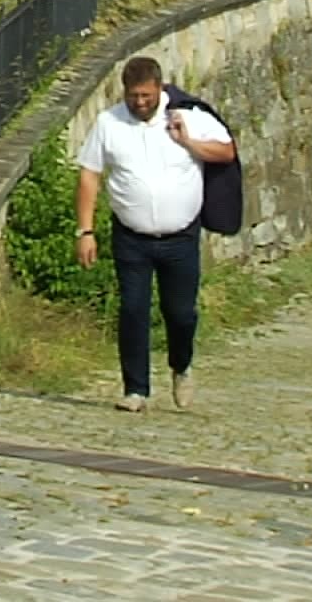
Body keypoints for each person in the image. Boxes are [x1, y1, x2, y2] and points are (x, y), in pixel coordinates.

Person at [73, 55, 236, 413]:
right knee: (133, 309)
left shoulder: (187, 116)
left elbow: (226, 151)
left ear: (160, 89)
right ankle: (136, 389)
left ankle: (181, 365)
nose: (140, 102)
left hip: (180, 237)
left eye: (146, 95)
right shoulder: (109, 123)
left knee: (180, 313)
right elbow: (89, 174)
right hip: (132, 237)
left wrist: (189, 142)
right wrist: (85, 230)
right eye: (134, 96)